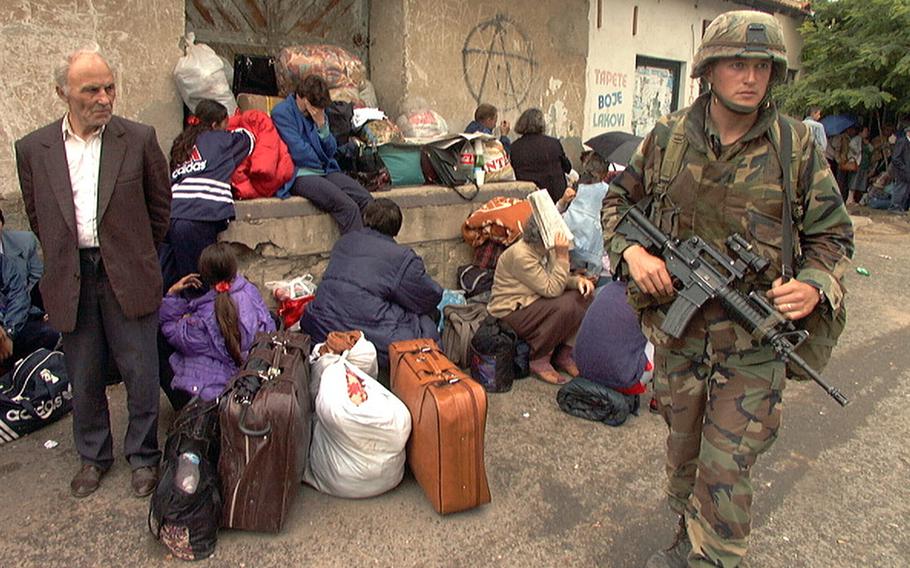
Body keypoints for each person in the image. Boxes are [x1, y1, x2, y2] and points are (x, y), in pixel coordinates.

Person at [602, 11, 853, 567]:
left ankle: (712, 557)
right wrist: (634, 253)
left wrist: (813, 284)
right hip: (680, 335)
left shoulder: (798, 148)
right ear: (709, 71)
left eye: (762, 66)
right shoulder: (666, 139)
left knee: (726, 465)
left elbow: (833, 236)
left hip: (754, 342)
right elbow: (618, 204)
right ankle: (684, 533)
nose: (751, 77)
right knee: (684, 449)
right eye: (737, 64)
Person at [15, 47, 171, 498]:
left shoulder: (138, 139)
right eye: (92, 90)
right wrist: (68, 256)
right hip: (71, 274)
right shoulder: (34, 149)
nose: (105, 98)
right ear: (62, 92)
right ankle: (92, 456)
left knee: (141, 370)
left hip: (128, 269)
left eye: (110, 88)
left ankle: (144, 456)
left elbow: (160, 211)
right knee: (83, 374)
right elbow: (37, 215)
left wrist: (136, 253)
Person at [299, 198, 442, 369]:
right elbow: (429, 296)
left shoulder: (345, 241)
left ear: (366, 218)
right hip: (362, 331)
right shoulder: (401, 257)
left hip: (320, 325)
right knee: (426, 324)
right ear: (396, 228)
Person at [160, 99, 255, 292]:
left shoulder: (180, 144)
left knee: (176, 277)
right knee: (201, 283)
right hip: (201, 215)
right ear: (215, 125)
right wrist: (237, 123)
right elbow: (249, 139)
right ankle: (199, 317)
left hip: (172, 215)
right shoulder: (222, 140)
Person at [160, 243, 275, 401]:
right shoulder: (251, 291)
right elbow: (269, 324)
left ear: (204, 276)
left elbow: (171, 331)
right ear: (234, 268)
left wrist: (172, 294)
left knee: (166, 349)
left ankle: (186, 407)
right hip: (256, 373)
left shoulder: (202, 319)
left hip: (222, 387)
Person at [487, 216, 594, 385]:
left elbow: (558, 277)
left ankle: (564, 354)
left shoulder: (547, 249)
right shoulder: (521, 255)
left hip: (534, 301)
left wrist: (577, 282)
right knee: (565, 306)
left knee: (584, 295)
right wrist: (563, 256)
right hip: (510, 312)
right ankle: (538, 357)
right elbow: (552, 289)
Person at [272, 75, 373, 234]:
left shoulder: (318, 114)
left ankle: (375, 248)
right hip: (300, 174)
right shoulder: (282, 113)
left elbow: (332, 149)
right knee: (348, 208)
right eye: (315, 107)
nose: (319, 112)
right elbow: (299, 152)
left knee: (366, 199)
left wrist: (322, 127)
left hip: (325, 170)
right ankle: (355, 255)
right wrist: (322, 158)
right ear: (303, 98)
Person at [510, 108, 573, 202]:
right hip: (554, 197)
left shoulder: (514, 147)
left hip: (528, 197)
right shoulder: (553, 143)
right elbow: (567, 168)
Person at [847, 126, 872, 204]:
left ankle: (854, 199)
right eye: (865, 131)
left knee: (861, 181)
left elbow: (871, 149)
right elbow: (851, 146)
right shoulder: (856, 139)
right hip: (857, 162)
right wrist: (858, 150)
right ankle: (850, 198)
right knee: (854, 180)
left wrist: (867, 144)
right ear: (860, 132)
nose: (866, 133)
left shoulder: (865, 141)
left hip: (864, 164)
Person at [888, 125, 910, 212]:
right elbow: (896, 158)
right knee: (900, 189)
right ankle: (894, 207)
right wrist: (904, 168)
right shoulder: (902, 142)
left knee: (905, 191)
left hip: (907, 172)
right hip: (902, 172)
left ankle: (900, 208)